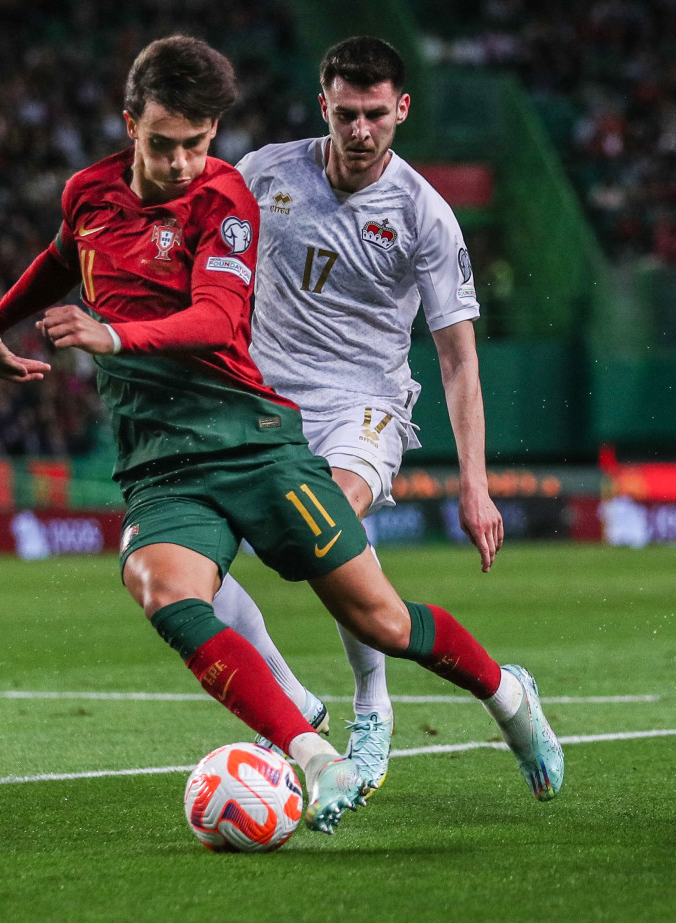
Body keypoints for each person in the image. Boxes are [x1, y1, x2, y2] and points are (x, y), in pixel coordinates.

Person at [0, 35, 562, 833]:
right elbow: (60, 254)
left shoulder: (238, 195)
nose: (182, 163)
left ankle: (500, 693)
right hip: (170, 446)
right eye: (163, 143)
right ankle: (307, 742)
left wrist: (112, 337)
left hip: (271, 424)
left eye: (198, 145)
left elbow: (217, 315)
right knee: (162, 587)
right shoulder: (119, 188)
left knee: (380, 616)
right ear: (129, 125)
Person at [214, 36, 504, 793]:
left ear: (401, 109)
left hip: (362, 404)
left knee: (327, 519)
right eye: (347, 114)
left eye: (377, 114)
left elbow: (459, 358)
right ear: (325, 107)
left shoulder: (425, 215)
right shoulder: (262, 172)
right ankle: (292, 697)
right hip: (262, 399)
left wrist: (474, 482)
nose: (361, 130)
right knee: (191, 560)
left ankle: (372, 703)